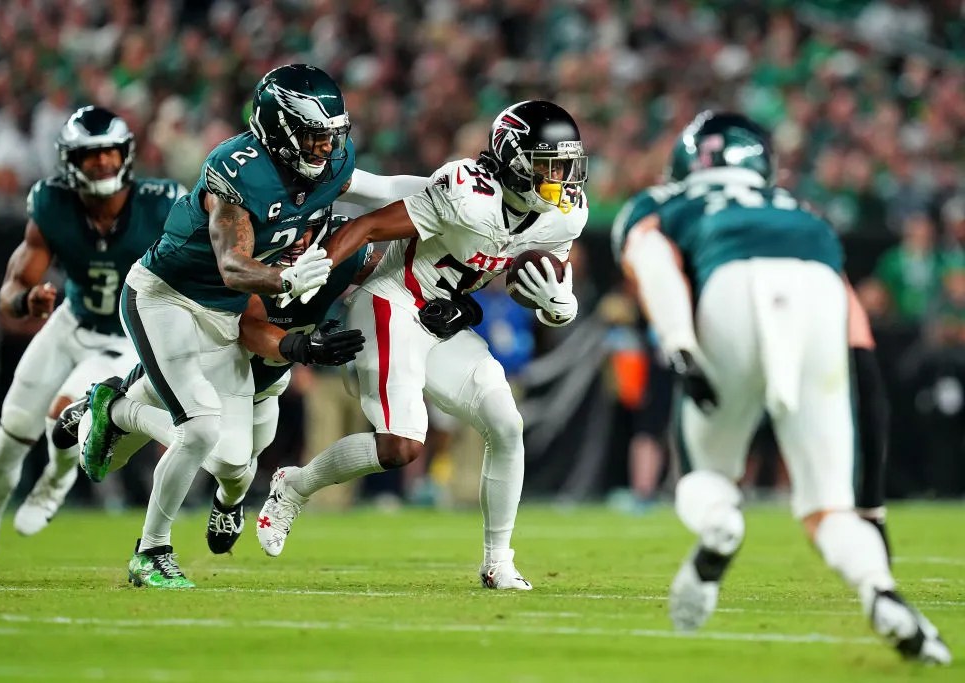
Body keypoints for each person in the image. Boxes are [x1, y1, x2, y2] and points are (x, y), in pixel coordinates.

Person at [614, 110, 949, 664]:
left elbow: (652, 257)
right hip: (818, 291)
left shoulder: (660, 204)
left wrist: (677, 340)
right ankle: (879, 589)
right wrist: (871, 509)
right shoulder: (798, 210)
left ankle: (720, 527)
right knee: (827, 506)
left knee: (705, 474)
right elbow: (862, 356)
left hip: (726, 287)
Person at [78, 64, 427, 588]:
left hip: (226, 312)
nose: (324, 150)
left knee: (234, 460)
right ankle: (151, 549)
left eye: (331, 138)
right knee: (199, 427)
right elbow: (233, 266)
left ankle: (122, 407)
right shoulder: (237, 169)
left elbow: (381, 189)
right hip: (168, 296)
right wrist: (287, 280)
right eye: (312, 137)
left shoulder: (329, 166)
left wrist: (453, 194)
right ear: (278, 128)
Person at [255, 100, 589, 591]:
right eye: (547, 165)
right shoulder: (467, 193)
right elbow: (365, 225)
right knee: (401, 446)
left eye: (565, 166)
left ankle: (499, 561)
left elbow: (549, 274)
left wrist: (562, 305)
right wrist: (311, 270)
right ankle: (294, 487)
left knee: (507, 424)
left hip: (443, 319)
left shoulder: (561, 216)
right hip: (394, 298)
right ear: (513, 160)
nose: (560, 179)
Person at [56, 214, 373, 556]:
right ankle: (115, 408)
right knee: (127, 461)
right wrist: (303, 346)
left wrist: (427, 299)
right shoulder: (246, 254)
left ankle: (226, 505)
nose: (296, 239)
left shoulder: (342, 252)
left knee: (240, 468)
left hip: (263, 385)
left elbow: (392, 271)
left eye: (306, 230)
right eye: (291, 228)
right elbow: (250, 326)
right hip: (204, 367)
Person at [0, 106, 183, 562]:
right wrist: (25, 301)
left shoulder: (161, 203)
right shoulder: (52, 204)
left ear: (126, 155)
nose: (102, 164)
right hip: (71, 322)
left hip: (126, 337)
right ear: (69, 162)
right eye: (91, 156)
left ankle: (54, 483)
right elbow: (13, 286)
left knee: (63, 414)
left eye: (110, 153)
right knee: (7, 439)